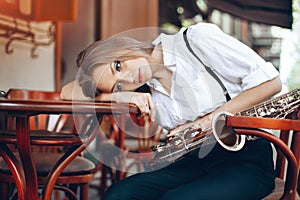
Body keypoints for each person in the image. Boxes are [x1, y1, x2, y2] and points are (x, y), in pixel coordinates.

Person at [61, 22, 282, 200]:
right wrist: (116, 94)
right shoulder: (146, 89)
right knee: (118, 194)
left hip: (244, 159)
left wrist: (206, 122)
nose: (127, 78)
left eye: (118, 66)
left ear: (119, 46)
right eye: (119, 83)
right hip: (193, 162)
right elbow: (67, 92)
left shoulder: (195, 41)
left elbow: (271, 83)